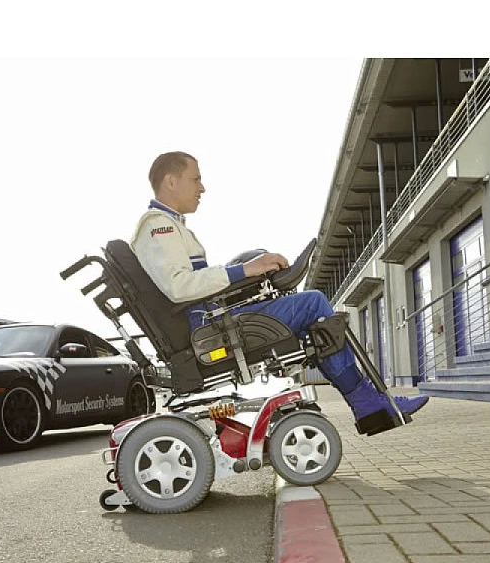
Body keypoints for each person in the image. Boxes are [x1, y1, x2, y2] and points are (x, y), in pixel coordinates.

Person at [130, 151, 429, 436]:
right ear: (171, 181)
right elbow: (180, 286)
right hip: (208, 329)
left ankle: (369, 402)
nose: (202, 188)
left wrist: (247, 273)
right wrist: (245, 270)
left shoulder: (169, 226)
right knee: (314, 304)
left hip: (209, 321)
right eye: (196, 179)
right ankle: (367, 402)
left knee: (316, 324)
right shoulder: (158, 227)